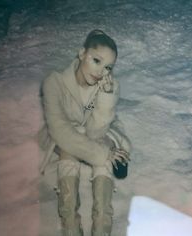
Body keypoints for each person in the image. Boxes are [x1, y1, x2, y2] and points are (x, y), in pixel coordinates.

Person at [39, 29, 132, 236]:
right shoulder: (53, 83)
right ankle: (71, 228)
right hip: (65, 141)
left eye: (108, 66)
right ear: (82, 53)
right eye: (96, 60)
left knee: (104, 161)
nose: (101, 71)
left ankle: (102, 229)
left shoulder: (107, 86)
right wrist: (103, 153)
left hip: (93, 137)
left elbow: (95, 132)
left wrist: (106, 99)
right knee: (69, 150)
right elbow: (61, 131)